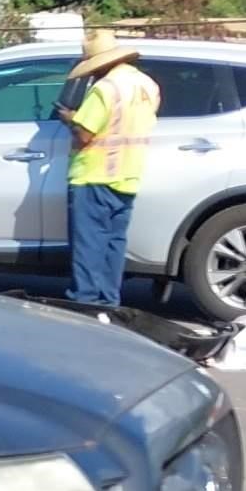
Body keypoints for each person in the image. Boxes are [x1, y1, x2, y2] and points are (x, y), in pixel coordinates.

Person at [58, 28, 160, 308]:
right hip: (128, 175)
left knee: (88, 245)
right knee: (113, 244)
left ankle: (86, 302)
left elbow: (84, 134)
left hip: (94, 175)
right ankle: (108, 301)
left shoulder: (105, 89)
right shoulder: (146, 85)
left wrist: (69, 117)